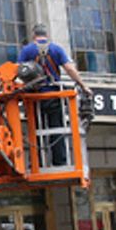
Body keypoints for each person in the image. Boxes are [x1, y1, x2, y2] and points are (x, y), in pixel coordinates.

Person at [17, 24, 92, 167]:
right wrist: (83, 85)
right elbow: (69, 68)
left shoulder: (27, 50)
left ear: (34, 36)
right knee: (56, 129)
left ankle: (37, 162)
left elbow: (17, 70)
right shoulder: (56, 49)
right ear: (46, 35)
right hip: (54, 95)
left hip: (34, 98)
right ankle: (59, 161)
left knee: (35, 130)